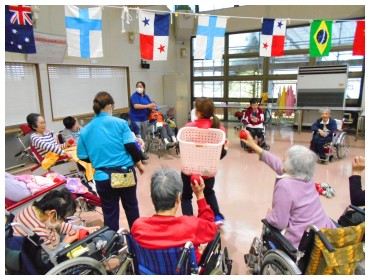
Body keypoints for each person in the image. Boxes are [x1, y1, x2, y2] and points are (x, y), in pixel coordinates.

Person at [241, 130, 336, 248]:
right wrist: (254, 146)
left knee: (269, 224)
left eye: (285, 158)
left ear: (289, 167)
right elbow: (276, 163)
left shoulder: (285, 185)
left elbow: (279, 222)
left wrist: (269, 216)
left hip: (301, 241)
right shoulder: (307, 176)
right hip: (324, 232)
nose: (282, 158)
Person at [77, 91, 144, 231]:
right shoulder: (121, 123)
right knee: (131, 208)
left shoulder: (85, 130)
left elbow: (82, 156)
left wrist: (98, 159)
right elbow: (131, 146)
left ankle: (113, 245)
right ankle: (137, 242)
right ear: (109, 106)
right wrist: (139, 163)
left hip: (103, 177)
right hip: (124, 174)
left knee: (110, 213)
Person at [131, 168, 217, 263]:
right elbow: (211, 229)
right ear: (178, 198)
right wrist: (200, 195)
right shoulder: (191, 226)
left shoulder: (138, 227)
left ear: (153, 199)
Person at [181, 97, 229, 227]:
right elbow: (220, 155)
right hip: (208, 171)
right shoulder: (219, 130)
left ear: (197, 112)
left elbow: (183, 151)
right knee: (208, 192)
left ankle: (189, 222)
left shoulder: (188, 128)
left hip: (189, 171)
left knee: (186, 197)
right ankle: (216, 216)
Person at [13, 189, 100, 256]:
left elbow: (59, 225)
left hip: (45, 247)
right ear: (52, 213)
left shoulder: (32, 209)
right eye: (63, 218)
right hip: (48, 258)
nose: (63, 221)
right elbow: (52, 258)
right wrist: (66, 241)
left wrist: (83, 228)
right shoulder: (38, 231)